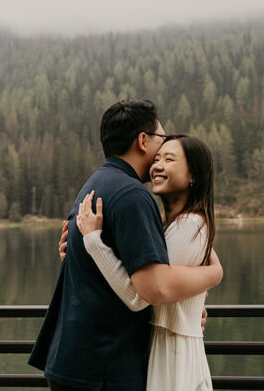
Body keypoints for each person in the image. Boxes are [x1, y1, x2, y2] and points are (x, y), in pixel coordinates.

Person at [28, 100, 223, 390]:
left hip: (77, 360)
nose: (160, 157)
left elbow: (101, 270)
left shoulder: (96, 184)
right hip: (103, 368)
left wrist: (187, 306)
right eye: (161, 142)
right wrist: (215, 274)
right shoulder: (132, 196)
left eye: (170, 157)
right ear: (143, 141)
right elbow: (150, 290)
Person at [75, 134, 217, 390]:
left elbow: (142, 294)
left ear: (193, 176)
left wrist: (94, 242)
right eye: (158, 157)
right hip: (164, 344)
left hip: (174, 352)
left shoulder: (190, 225)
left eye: (169, 159)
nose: (157, 165)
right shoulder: (171, 226)